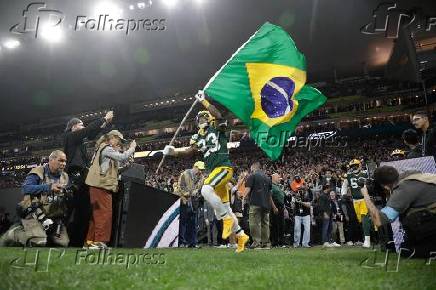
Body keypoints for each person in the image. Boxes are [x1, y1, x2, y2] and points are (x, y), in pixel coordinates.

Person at [163, 91, 249, 253]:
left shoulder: (217, 127)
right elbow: (190, 151)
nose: (202, 120)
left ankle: (227, 221)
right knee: (225, 208)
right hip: (213, 172)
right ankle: (241, 235)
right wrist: (174, 151)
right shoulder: (197, 137)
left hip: (223, 168)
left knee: (205, 189)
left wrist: (205, 102)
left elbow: (218, 115)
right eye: (200, 118)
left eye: (204, 117)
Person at [361, 166, 436, 258]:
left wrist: (366, 196)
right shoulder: (417, 177)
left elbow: (378, 220)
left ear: (385, 186)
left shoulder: (404, 188)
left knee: (405, 250)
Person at [64, 111, 114, 247]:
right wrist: (103, 118)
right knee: (68, 211)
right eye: (81, 125)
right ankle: (57, 241)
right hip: (74, 176)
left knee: (84, 212)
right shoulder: (70, 137)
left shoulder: (80, 141)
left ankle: (76, 243)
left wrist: (105, 123)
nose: (83, 127)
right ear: (73, 127)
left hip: (84, 178)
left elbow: (92, 133)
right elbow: (89, 130)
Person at [0, 150, 70, 247]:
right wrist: (49, 187)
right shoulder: (38, 171)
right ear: (51, 160)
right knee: (38, 242)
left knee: (63, 243)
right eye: (61, 160)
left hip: (54, 216)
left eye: (65, 161)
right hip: (35, 213)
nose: (64, 164)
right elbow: (25, 188)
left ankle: (42, 235)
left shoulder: (65, 176)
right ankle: (13, 234)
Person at [84, 130, 136, 249]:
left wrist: (127, 166)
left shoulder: (103, 149)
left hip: (97, 186)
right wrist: (132, 148)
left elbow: (113, 171)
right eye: (119, 141)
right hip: (100, 186)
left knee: (96, 215)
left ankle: (89, 242)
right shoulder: (107, 148)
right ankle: (99, 242)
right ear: (112, 137)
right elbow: (123, 157)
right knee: (104, 214)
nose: (119, 144)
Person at [244, 162, 277, 249]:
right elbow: (269, 194)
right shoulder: (267, 178)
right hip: (266, 205)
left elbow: (247, 189)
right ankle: (265, 244)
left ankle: (256, 243)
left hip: (255, 203)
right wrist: (273, 206)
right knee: (265, 224)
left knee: (254, 223)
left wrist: (242, 197)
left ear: (253, 167)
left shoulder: (252, 175)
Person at [341, 159, 372, 248]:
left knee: (364, 218)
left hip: (364, 199)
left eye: (355, 165)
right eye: (352, 166)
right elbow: (344, 186)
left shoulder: (365, 174)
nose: (354, 167)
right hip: (355, 200)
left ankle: (367, 241)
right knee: (361, 220)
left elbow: (370, 184)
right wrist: (343, 194)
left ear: (359, 165)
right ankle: (366, 237)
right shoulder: (348, 176)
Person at [176, 161, 205, 248]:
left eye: (202, 170)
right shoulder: (185, 174)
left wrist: (197, 193)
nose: (201, 171)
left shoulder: (201, 177)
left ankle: (193, 242)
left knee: (193, 223)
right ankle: (182, 242)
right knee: (183, 223)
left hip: (194, 203)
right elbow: (180, 188)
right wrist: (190, 193)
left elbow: (199, 190)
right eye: (199, 169)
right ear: (195, 167)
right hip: (184, 201)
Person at [292, 183, 312, 248]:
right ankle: (296, 244)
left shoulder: (307, 195)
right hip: (297, 214)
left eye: (301, 190)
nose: (300, 191)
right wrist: (294, 200)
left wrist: (301, 202)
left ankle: (305, 243)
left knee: (307, 229)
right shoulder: (294, 196)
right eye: (299, 190)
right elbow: (292, 206)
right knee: (297, 229)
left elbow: (309, 205)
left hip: (306, 214)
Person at [270, 173, 286, 247]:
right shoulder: (271, 186)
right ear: (273, 178)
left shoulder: (278, 186)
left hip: (281, 206)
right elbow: (270, 197)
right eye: (278, 177)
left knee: (281, 225)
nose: (279, 179)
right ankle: (275, 242)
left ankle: (281, 242)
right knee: (275, 225)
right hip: (276, 206)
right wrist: (274, 207)